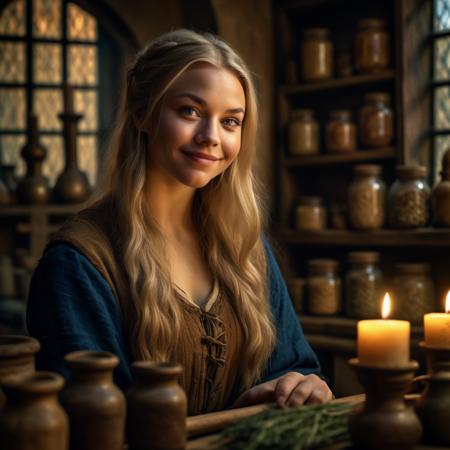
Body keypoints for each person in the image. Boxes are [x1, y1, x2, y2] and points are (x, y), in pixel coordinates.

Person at [26, 29, 332, 415]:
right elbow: (98, 420)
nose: (210, 137)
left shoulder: (245, 246)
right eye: (190, 111)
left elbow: (292, 366)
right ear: (143, 112)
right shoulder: (80, 262)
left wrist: (302, 386)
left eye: (230, 121)